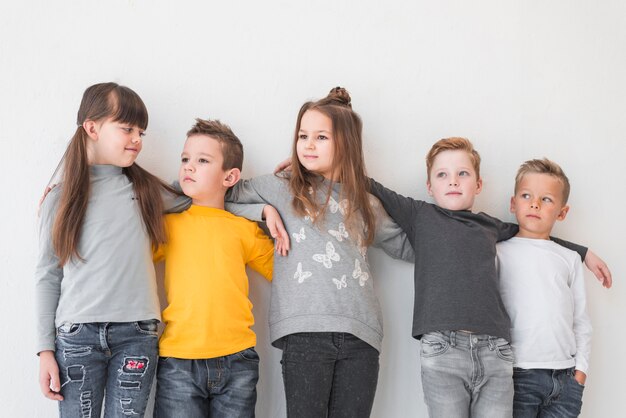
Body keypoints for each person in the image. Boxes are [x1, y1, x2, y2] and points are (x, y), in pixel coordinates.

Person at [368, 137, 610, 418]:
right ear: (429, 187)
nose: (453, 182)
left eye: (463, 174)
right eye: (442, 175)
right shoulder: (420, 214)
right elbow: (375, 189)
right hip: (442, 347)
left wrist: (582, 252)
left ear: (478, 185)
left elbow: (534, 236)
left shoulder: (489, 227)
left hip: (495, 351)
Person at [227, 87, 413, 418]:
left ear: (346, 145)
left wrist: (462, 248)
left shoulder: (366, 203)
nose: (308, 144)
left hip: (362, 335)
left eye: (321, 137)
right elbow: (220, 194)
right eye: (303, 136)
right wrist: (263, 212)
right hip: (304, 334)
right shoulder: (282, 188)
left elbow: (402, 244)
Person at [35, 82, 189, 417]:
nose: (137, 139)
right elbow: (48, 275)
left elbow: (205, 194)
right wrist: (44, 350)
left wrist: (261, 207)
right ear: (92, 128)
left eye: (141, 132)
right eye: (128, 129)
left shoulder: (145, 190)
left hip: (137, 335)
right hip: (76, 337)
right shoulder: (60, 199)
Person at [153, 119, 281, 417]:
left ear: (230, 176)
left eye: (202, 160)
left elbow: (285, 274)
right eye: (185, 159)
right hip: (178, 361)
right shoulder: (166, 226)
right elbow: (129, 259)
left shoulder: (243, 229)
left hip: (237, 361)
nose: (188, 167)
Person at [498, 158, 591, 417]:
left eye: (546, 199)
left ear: (562, 212)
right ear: (513, 203)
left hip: (565, 380)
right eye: (526, 195)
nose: (535, 203)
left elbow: (580, 321)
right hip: (518, 374)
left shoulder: (569, 258)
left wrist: (579, 375)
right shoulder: (498, 253)